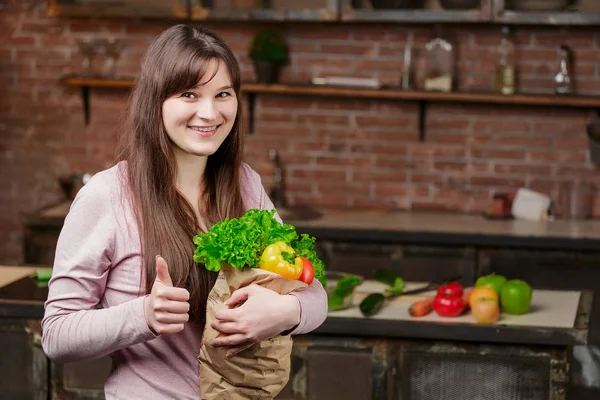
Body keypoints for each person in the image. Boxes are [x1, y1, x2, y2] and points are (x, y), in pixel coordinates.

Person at [41, 24, 328, 400]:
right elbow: (57, 335)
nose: (209, 113)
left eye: (222, 94)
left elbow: (315, 292)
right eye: (189, 94)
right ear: (155, 101)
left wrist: (286, 311)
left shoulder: (244, 184)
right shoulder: (107, 196)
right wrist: (143, 315)